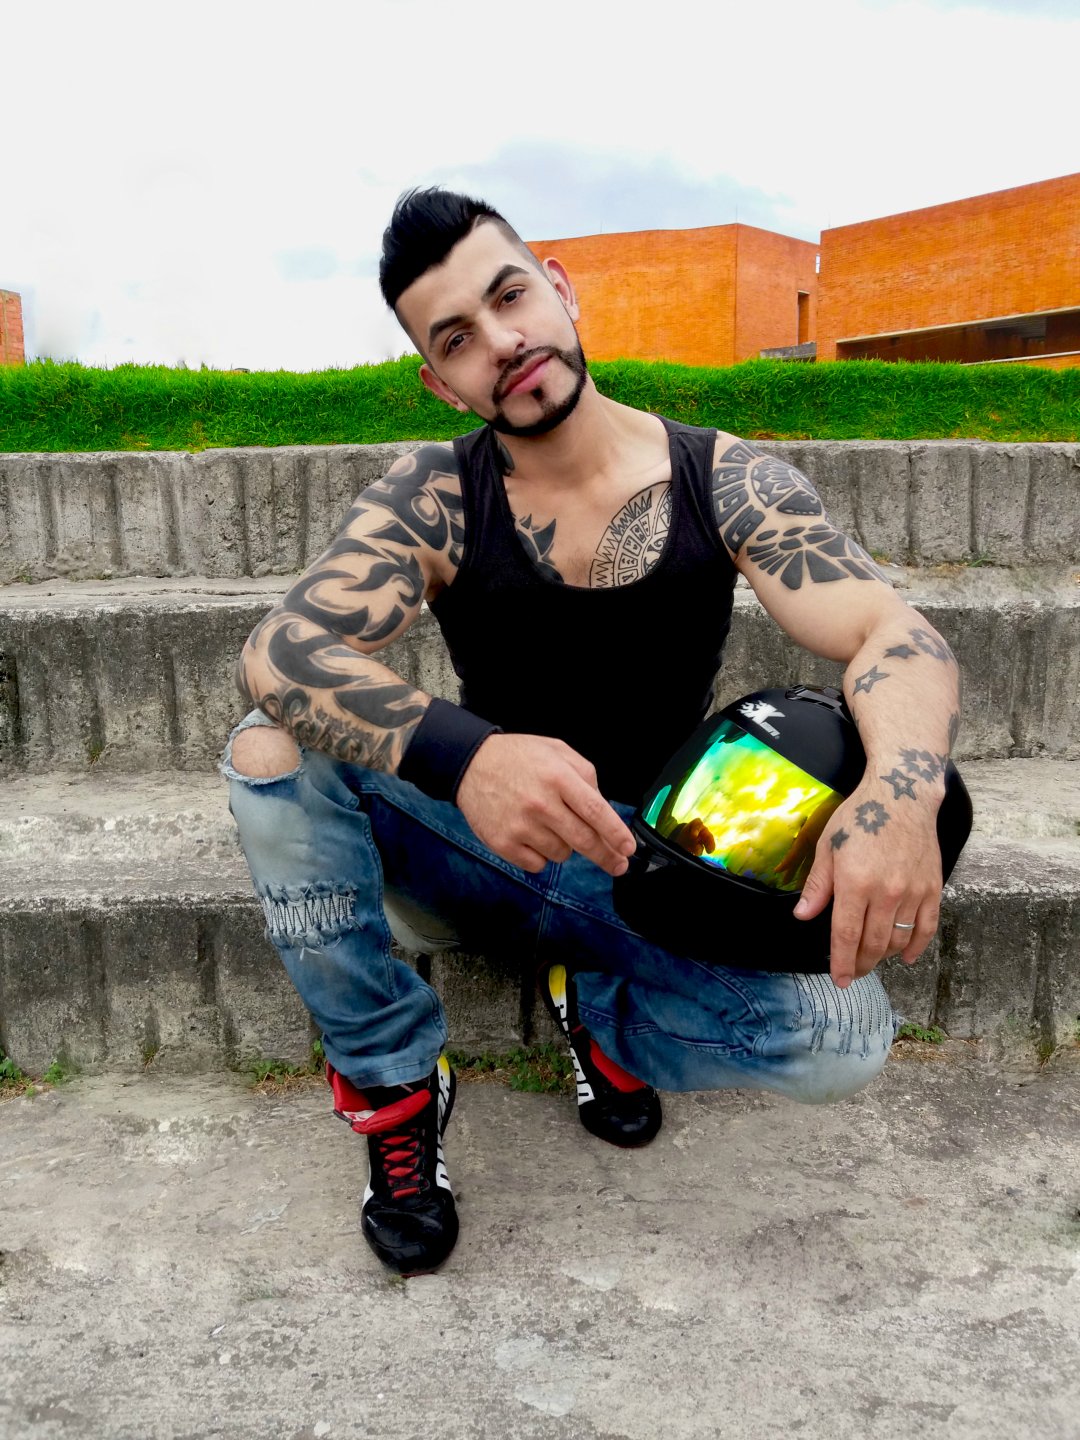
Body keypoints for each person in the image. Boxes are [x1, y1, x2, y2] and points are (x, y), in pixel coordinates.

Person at [219, 188, 961, 1276]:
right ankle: (395, 1084)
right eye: (456, 340)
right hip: (476, 844)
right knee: (267, 746)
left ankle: (598, 1010)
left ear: (559, 289)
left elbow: (891, 630)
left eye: (509, 296)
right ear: (441, 382)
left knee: (845, 1040)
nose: (501, 342)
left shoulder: (724, 477)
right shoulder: (437, 494)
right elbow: (281, 653)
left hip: (649, 868)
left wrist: (901, 792)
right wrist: (468, 755)